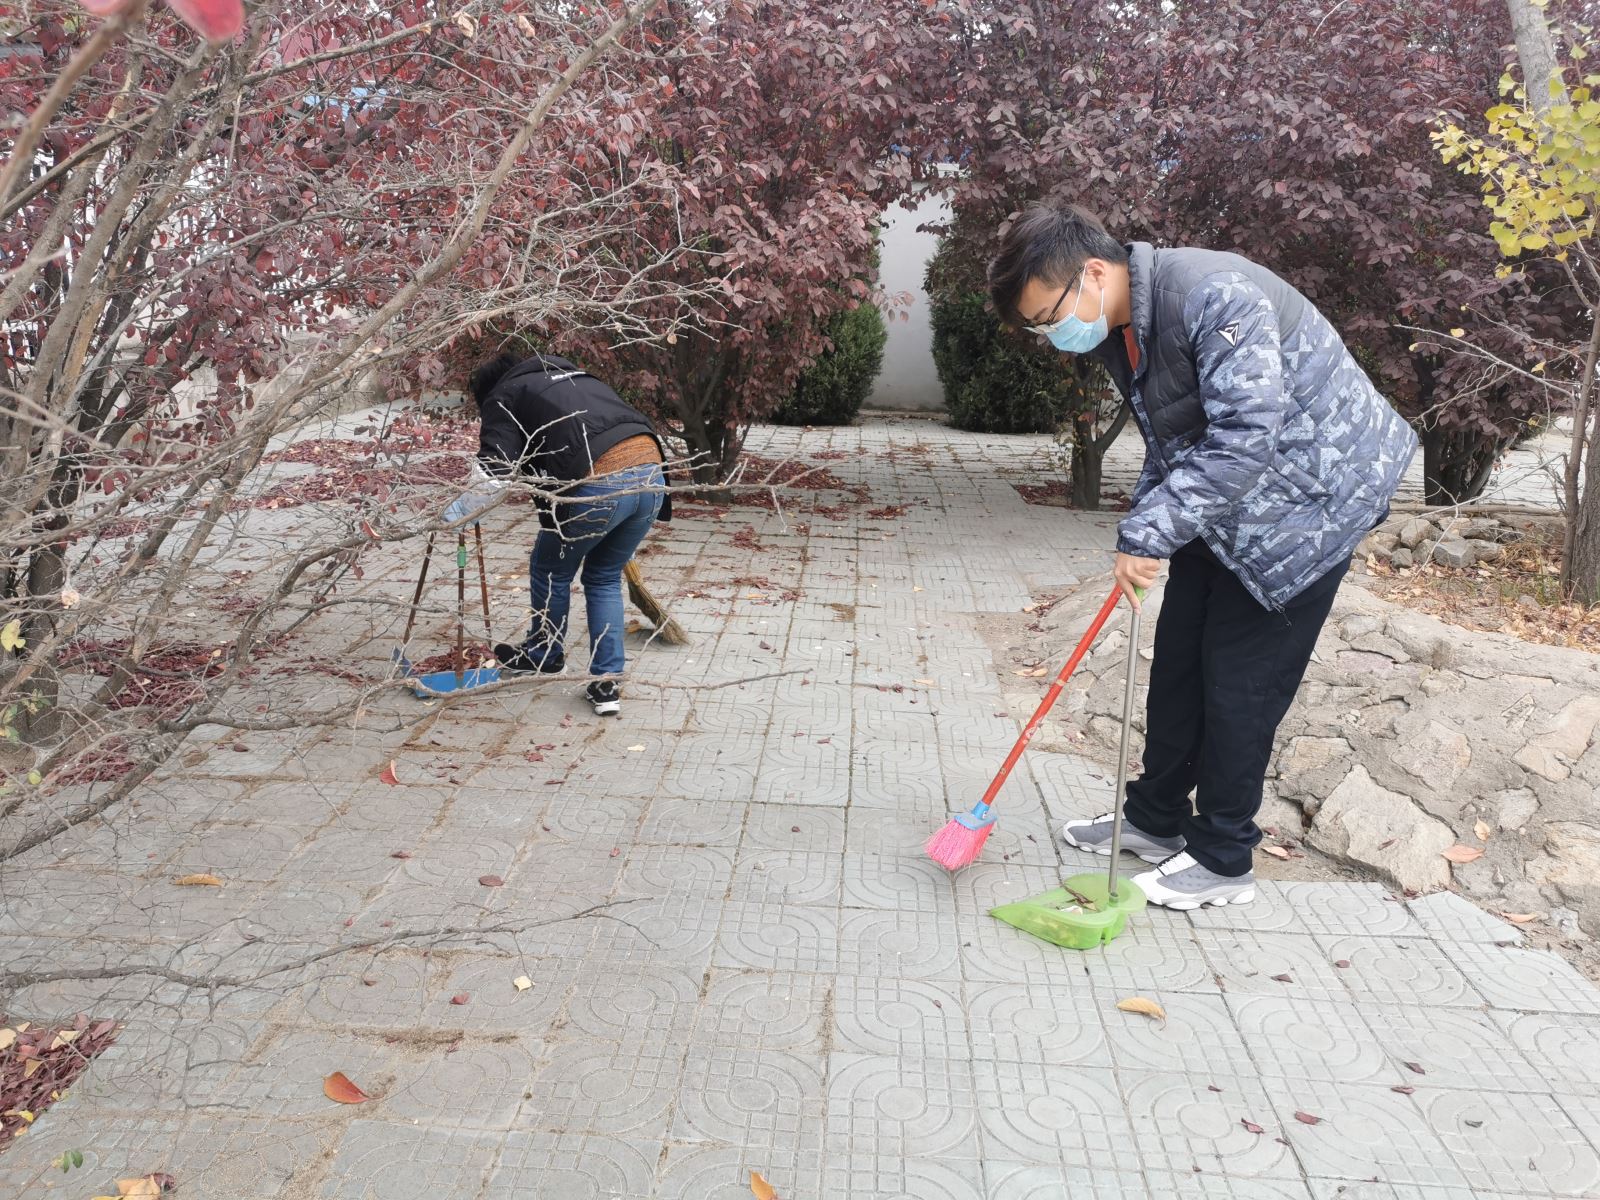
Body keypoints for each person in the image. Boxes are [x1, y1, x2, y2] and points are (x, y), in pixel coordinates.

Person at [987, 205, 1417, 910]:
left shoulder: (1215, 296)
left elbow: (1245, 436)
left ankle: (1222, 856)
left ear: (1093, 273)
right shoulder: (1126, 326)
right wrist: (1146, 528)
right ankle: (1156, 819)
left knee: (1240, 683)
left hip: (1313, 504)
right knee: (1180, 661)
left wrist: (1150, 532)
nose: (1051, 335)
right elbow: (1175, 439)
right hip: (1234, 504)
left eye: (1048, 316)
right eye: (1038, 327)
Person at [445, 350, 672, 717]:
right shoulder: (573, 377)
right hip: (652, 476)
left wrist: (459, 513)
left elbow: (495, 469)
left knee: (549, 568)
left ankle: (545, 654)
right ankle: (607, 683)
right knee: (603, 577)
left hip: (600, 483)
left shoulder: (505, 394)